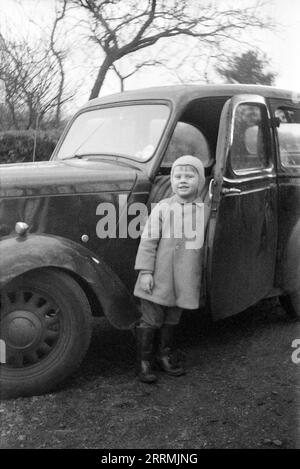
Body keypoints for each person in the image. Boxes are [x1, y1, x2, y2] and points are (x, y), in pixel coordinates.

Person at [134, 155, 209, 383]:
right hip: (158, 277)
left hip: (184, 280)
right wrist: (145, 271)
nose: (182, 180)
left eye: (189, 175)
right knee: (152, 319)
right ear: (172, 181)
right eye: (178, 176)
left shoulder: (204, 210)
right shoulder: (163, 208)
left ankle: (164, 356)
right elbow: (148, 241)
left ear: (200, 181)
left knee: (172, 318)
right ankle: (144, 362)